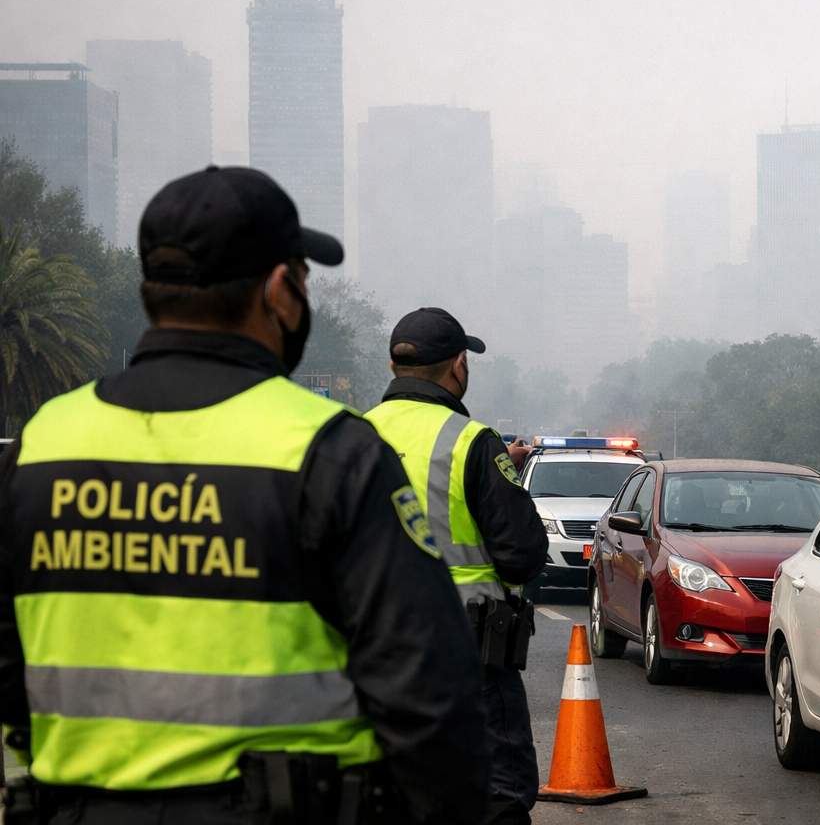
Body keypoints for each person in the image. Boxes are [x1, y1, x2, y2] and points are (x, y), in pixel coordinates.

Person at [0, 166, 490, 824]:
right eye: (304, 280)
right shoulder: (329, 450)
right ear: (281, 291)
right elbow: (430, 695)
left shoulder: (43, 443)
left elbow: (9, 660)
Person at [364, 309, 547, 825]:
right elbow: (523, 554)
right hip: (466, 655)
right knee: (496, 797)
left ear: (395, 364)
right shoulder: (470, 441)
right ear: (459, 365)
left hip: (371, 652)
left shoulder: (347, 435)